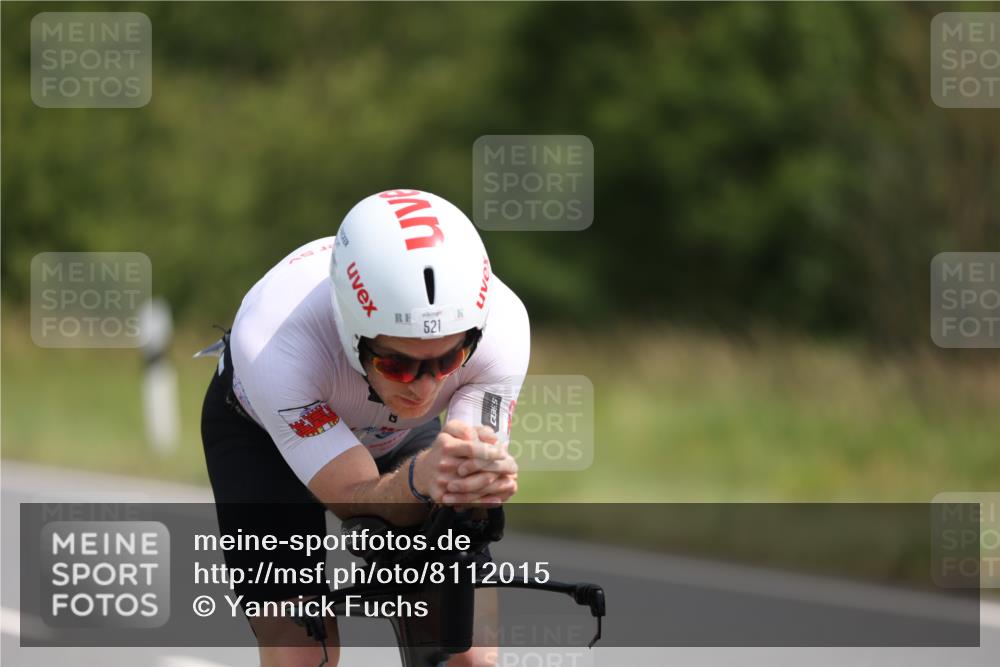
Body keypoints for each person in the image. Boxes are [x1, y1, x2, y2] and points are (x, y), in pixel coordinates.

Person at [200, 188, 529, 667]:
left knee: (469, 654)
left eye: (449, 359)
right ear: (351, 331)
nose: (425, 388)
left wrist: (473, 487)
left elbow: (462, 498)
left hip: (396, 434)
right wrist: (421, 480)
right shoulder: (275, 340)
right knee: (302, 652)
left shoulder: (503, 329)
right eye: (398, 364)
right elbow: (355, 499)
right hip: (263, 436)